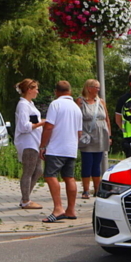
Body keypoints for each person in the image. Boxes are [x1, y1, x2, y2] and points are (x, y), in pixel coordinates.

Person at [39, 81, 83, 223]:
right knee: (69, 177)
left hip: (56, 147)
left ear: (56, 92)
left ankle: (58, 208)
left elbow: (49, 126)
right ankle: (71, 209)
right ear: (69, 91)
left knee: (50, 175)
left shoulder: (55, 104)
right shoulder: (76, 108)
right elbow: (79, 132)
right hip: (71, 147)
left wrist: (42, 145)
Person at [76, 79, 112, 200]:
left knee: (97, 164)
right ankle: (86, 190)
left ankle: (97, 189)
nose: (98, 89)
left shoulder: (101, 102)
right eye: (95, 87)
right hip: (87, 135)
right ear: (88, 88)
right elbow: (76, 119)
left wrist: (109, 135)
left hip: (101, 135)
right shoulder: (80, 102)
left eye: (98, 87)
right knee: (87, 163)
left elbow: (107, 119)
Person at [14, 78, 46, 209]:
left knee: (38, 170)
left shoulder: (30, 104)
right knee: (28, 171)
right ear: (29, 90)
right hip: (28, 142)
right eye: (36, 89)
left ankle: (26, 197)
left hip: (35, 141)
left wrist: (41, 121)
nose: (37, 92)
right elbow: (23, 125)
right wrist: (41, 123)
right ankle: (26, 200)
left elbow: (33, 120)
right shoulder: (23, 105)